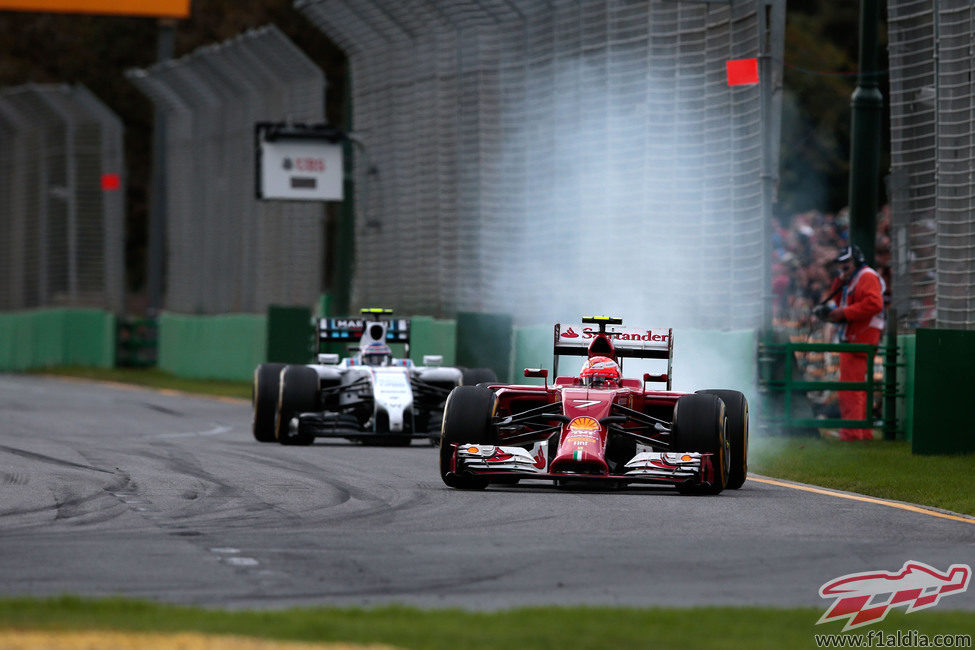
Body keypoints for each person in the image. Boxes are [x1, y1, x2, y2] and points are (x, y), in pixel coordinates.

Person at [817, 244, 886, 440]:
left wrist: (844, 313)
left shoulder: (866, 276)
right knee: (855, 389)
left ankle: (852, 433)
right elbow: (840, 302)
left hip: (860, 338)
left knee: (851, 390)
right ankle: (861, 431)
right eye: (841, 264)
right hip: (857, 338)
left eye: (846, 263)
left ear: (855, 260)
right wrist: (840, 279)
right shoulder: (855, 278)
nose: (843, 267)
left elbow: (874, 304)